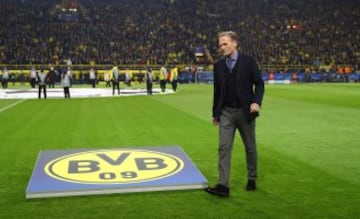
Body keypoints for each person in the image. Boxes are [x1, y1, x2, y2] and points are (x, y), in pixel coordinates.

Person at [205, 31, 265, 197]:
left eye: (224, 44)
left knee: (250, 148)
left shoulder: (248, 61)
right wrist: (215, 113)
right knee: (223, 148)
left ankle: (252, 178)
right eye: (220, 45)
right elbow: (217, 92)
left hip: (245, 112)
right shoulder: (218, 66)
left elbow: (259, 84)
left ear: (235, 43)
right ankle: (223, 185)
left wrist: (256, 102)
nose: (221, 48)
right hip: (226, 113)